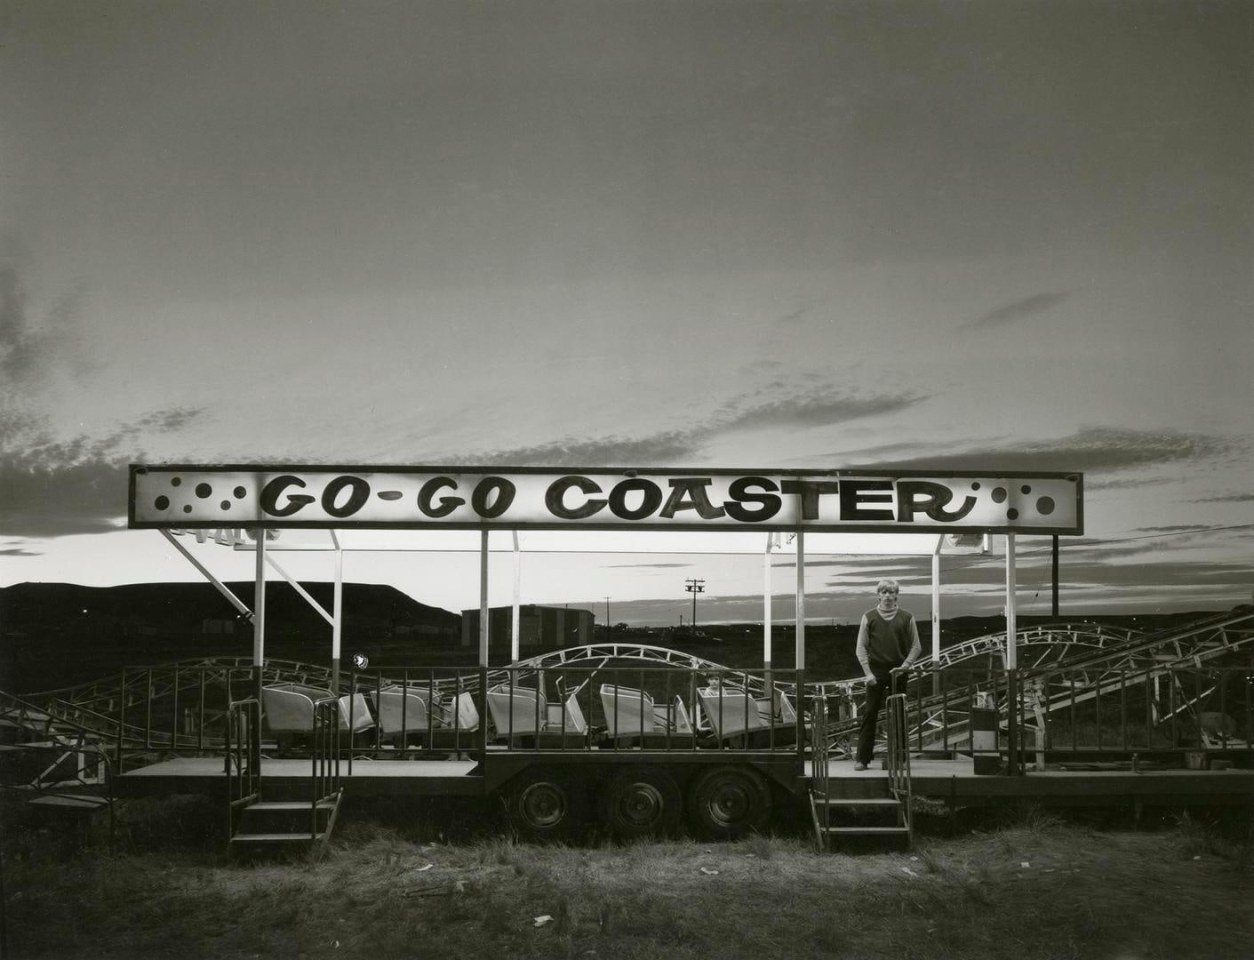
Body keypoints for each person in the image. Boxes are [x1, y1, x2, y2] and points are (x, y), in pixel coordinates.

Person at [854, 578, 921, 770]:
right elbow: (861, 647)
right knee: (869, 713)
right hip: (875, 672)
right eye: (884, 592)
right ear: (878, 595)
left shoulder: (907, 617)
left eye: (891, 592)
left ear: (897, 595)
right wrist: (868, 673)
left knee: (899, 714)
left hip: (899, 671)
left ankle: (898, 759)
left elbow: (916, 646)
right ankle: (862, 759)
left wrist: (905, 666)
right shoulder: (868, 616)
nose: (888, 596)